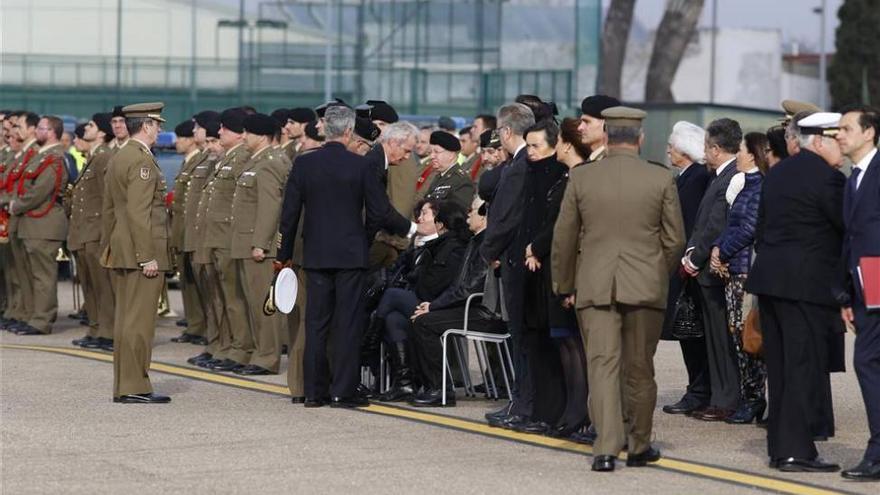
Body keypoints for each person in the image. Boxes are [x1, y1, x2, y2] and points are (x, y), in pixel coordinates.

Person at [552, 106, 685, 472]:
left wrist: (565, 283)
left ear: (606, 138)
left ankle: (606, 447)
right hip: (645, 286)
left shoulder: (582, 178)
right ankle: (639, 444)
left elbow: (563, 237)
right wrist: (657, 272)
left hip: (594, 285)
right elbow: (675, 239)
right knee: (640, 368)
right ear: (640, 140)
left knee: (602, 366)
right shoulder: (660, 179)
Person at [276, 105, 424, 408]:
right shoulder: (360, 166)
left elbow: (289, 216)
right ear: (347, 132)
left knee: (316, 324)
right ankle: (343, 391)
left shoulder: (305, 164)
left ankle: (314, 392)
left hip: (316, 254)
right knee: (347, 323)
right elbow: (380, 211)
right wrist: (410, 227)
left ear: (324, 130)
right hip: (351, 255)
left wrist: (284, 256)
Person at [746, 112, 846, 472]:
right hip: (805, 286)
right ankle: (796, 451)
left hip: (771, 282)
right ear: (818, 141)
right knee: (803, 368)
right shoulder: (828, 180)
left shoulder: (779, 173)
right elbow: (845, 229)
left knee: (783, 368)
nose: (843, 148)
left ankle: (782, 447)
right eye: (838, 140)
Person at [101, 102, 171, 404]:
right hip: (141, 251)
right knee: (139, 324)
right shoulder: (141, 161)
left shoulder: (121, 155)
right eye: (157, 125)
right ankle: (135, 386)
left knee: (126, 320)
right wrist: (147, 255)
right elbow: (139, 213)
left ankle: (125, 384)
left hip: (124, 249)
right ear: (146, 126)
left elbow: (109, 211)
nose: (159, 131)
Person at [409, 196, 506, 407]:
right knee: (423, 318)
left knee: (424, 323)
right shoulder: (475, 240)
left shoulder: (486, 244)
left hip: (484, 311)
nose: (468, 213)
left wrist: (433, 306)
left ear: (485, 217)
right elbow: (459, 285)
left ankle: (440, 390)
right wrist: (432, 306)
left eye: (473, 210)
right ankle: (429, 385)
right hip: (469, 306)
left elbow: (468, 288)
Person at [681, 118, 743, 421]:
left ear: (716, 148)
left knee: (722, 340)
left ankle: (726, 399)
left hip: (713, 272)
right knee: (714, 340)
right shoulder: (719, 175)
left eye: (707, 146)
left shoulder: (730, 176)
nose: (704, 152)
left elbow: (716, 223)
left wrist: (694, 257)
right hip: (704, 268)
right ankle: (719, 396)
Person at [375, 200, 469, 402]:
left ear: (441, 224)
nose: (419, 219)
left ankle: (367, 348)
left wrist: (418, 270)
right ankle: (405, 383)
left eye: (427, 215)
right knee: (393, 319)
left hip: (438, 304)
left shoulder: (450, 248)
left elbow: (432, 285)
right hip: (423, 299)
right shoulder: (424, 245)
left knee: (391, 296)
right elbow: (398, 271)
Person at [516, 118, 572, 435]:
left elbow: (558, 223)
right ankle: (537, 410)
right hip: (528, 266)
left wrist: (536, 247)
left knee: (552, 345)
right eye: (529, 146)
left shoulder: (560, 176)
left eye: (537, 145)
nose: (531, 152)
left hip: (547, 265)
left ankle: (553, 412)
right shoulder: (530, 172)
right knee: (534, 341)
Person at [481, 102, 534, 429]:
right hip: (518, 256)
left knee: (521, 337)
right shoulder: (528, 162)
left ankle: (522, 403)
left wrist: (488, 250)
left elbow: (505, 217)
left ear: (505, 132)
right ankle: (522, 399)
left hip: (514, 260)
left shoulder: (518, 166)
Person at [710, 132, 768, 424]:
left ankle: (755, 397)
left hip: (746, 271)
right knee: (737, 334)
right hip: (735, 268)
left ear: (753, 155)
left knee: (748, 337)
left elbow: (749, 229)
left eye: (743, 150)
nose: (739, 156)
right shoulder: (746, 185)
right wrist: (718, 247)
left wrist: (723, 251)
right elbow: (732, 223)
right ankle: (750, 396)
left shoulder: (758, 187)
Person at [835, 105, 880, 481]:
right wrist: (849, 296)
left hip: (879, 281)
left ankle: (878, 452)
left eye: (846, 128)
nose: (839, 135)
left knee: (866, 362)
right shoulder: (856, 177)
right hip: (864, 287)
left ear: (869, 133)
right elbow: (851, 240)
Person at [541, 117, 593, 440]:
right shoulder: (565, 178)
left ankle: (579, 412)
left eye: (559, 140)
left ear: (569, 145)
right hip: (556, 272)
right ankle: (571, 410)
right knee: (565, 345)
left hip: (571, 274)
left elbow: (572, 232)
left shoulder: (581, 178)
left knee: (576, 347)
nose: (555, 145)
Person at [661, 121, 713, 416]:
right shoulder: (686, 177)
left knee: (692, 334)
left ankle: (699, 390)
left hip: (688, 267)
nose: (668, 150)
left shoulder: (694, 179)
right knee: (688, 333)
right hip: (683, 265)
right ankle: (697, 388)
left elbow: (687, 223)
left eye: (672, 146)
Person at [231, 113, 289, 376]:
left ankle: (267, 357)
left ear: (262, 136)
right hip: (246, 241)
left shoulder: (269, 163)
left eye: (248, 133)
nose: (244, 137)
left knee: (264, 304)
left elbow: (270, 207)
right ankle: (258, 352)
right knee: (253, 303)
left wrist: (261, 244)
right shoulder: (257, 160)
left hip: (258, 247)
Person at [199, 107, 253, 372]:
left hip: (229, 238)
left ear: (241, 134)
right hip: (217, 238)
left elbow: (239, 204)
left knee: (234, 298)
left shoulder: (242, 158)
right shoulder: (227, 158)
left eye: (225, 128)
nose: (219, 132)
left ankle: (241, 348)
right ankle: (228, 344)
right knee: (223, 297)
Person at [8, 115, 69, 335]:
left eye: (41, 128)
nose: (36, 132)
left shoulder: (55, 157)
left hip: (44, 223)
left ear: (51, 131)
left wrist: (16, 205)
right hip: (33, 223)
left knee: (43, 277)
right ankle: (33, 315)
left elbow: (41, 190)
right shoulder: (42, 156)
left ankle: (42, 320)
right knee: (32, 275)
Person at [69, 113, 116, 351]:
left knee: (102, 286)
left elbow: (108, 199)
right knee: (90, 284)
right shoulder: (93, 156)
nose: (86, 128)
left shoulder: (105, 157)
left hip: (96, 231)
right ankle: (96, 327)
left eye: (91, 125)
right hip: (85, 231)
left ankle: (107, 331)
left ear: (101, 132)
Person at [168, 119, 208, 345]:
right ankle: (194, 325)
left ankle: (202, 326)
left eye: (182, 138)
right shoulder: (188, 162)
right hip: (183, 231)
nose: (177, 143)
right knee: (188, 283)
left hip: (193, 231)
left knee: (198, 284)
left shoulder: (202, 160)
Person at [0, 112, 39, 333]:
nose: (10, 132)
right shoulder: (15, 154)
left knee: (23, 272)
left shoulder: (33, 155)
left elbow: (29, 190)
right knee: (13, 271)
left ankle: (26, 312)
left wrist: (8, 203)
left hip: (22, 216)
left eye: (15, 126)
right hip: (10, 215)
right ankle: (16, 310)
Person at [424, 131, 474, 212]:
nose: (431, 156)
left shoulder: (461, 181)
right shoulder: (439, 176)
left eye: (436, 152)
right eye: (430, 152)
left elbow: (458, 215)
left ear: (451, 155)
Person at [577, 95, 621, 162]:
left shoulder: (610, 161)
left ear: (606, 125)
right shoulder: (594, 160)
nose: (580, 128)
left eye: (587, 122)